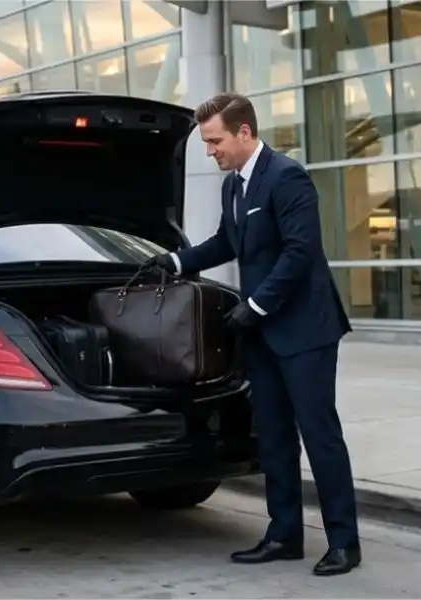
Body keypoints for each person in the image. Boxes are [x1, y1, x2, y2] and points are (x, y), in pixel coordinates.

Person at [145, 92, 359, 576]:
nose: (210, 151)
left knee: (319, 436)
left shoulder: (287, 178)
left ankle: (344, 542)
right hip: (262, 334)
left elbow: (301, 253)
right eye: (206, 142)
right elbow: (227, 241)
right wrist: (175, 261)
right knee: (274, 438)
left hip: (305, 330)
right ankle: (283, 535)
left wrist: (255, 306)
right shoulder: (233, 187)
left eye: (215, 140)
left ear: (244, 132)